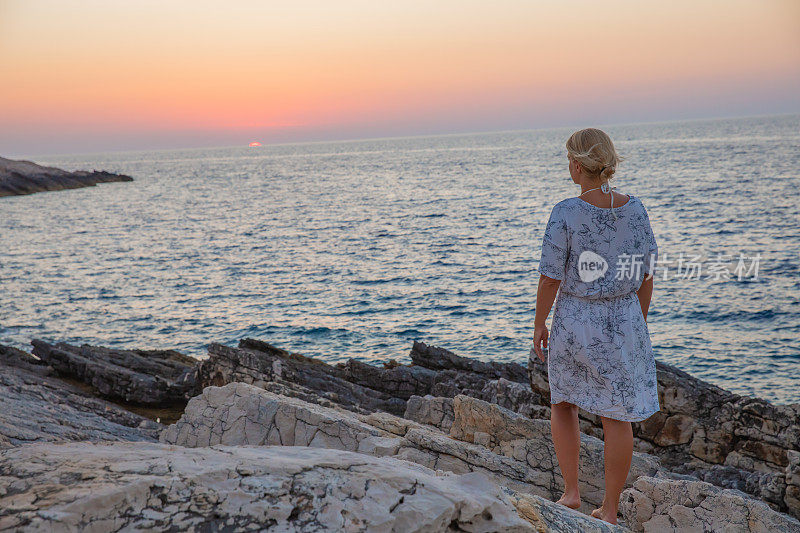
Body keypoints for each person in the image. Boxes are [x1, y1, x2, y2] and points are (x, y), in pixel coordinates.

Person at [530, 128, 660, 525]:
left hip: (575, 319)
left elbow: (551, 277)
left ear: (576, 164)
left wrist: (539, 323)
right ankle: (610, 510)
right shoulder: (635, 209)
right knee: (616, 416)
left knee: (563, 401)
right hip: (623, 318)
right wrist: (634, 321)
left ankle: (571, 494)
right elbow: (647, 273)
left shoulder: (566, 212)